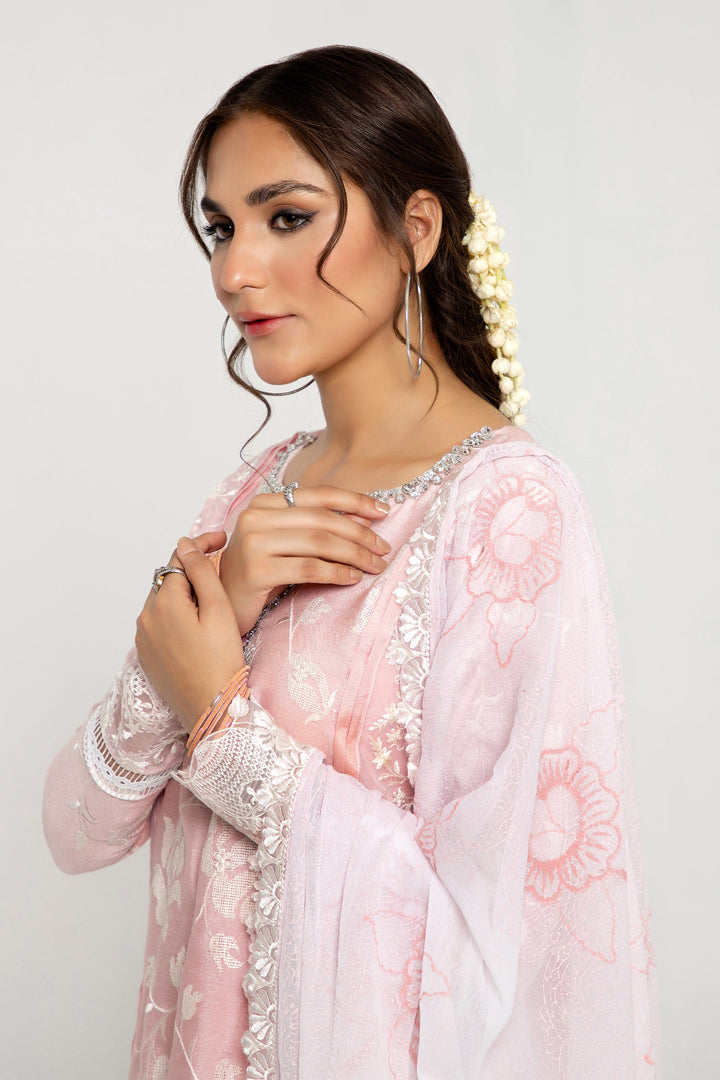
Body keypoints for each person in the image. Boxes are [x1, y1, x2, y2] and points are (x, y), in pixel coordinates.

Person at [43, 44, 659, 1079]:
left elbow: (499, 948)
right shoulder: (254, 490)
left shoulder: (509, 508)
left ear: (416, 228)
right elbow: (78, 830)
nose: (235, 271)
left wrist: (223, 726)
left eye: (286, 217)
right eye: (221, 227)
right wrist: (203, 624)